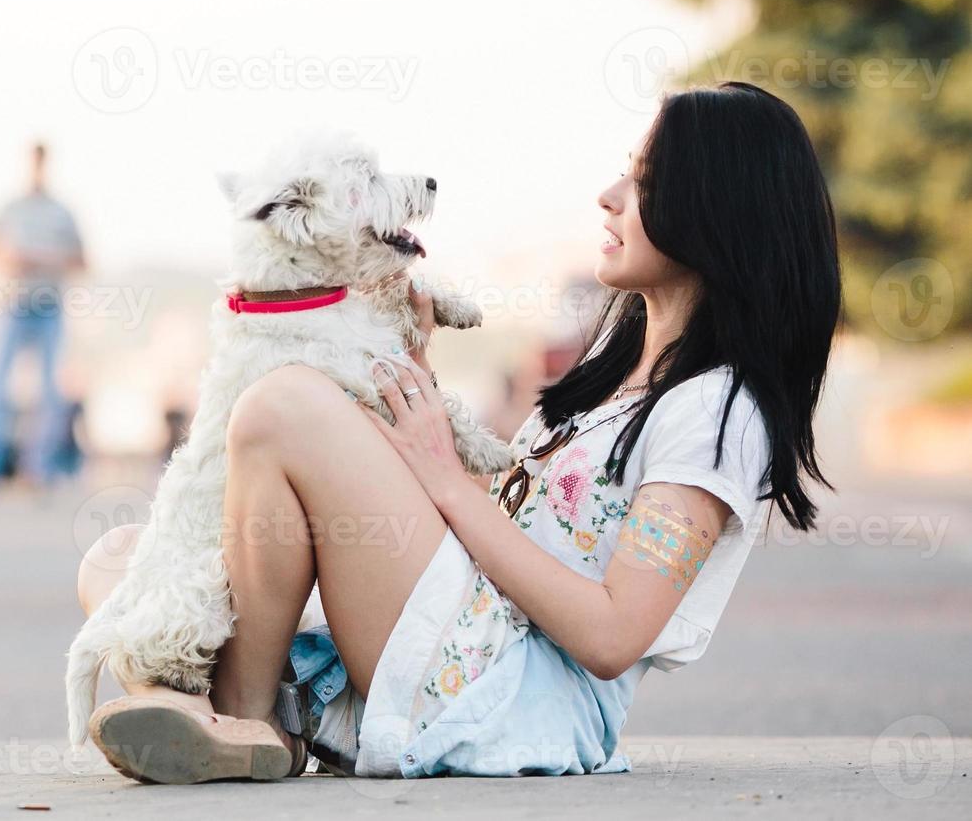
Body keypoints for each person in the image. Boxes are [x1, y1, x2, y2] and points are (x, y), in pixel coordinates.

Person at [75, 83, 842, 781]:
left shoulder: (714, 413)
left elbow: (612, 637)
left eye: (643, 182)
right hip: (461, 624)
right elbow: (502, 517)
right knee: (117, 562)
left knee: (280, 407)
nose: (608, 198)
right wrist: (417, 381)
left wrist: (442, 475)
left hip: (509, 690)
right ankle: (197, 717)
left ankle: (243, 721)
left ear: (717, 211)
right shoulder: (609, 379)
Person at [0, 142, 85, 490]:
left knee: (48, 394)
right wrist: (12, 258)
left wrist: (44, 259)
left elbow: (82, 261)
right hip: (13, 305)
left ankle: (38, 472)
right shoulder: (9, 209)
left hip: (49, 308)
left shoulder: (62, 212)